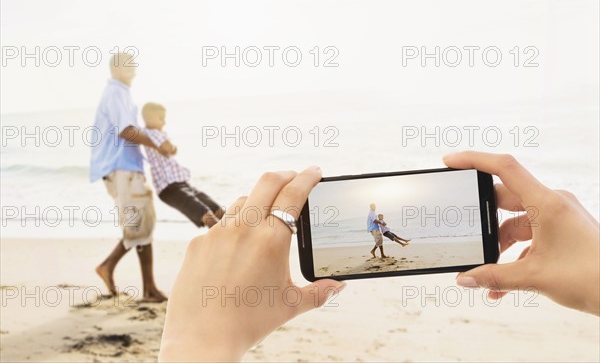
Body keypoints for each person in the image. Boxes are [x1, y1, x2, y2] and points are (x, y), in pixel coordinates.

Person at [158, 153, 599, 362]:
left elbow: (376, 224)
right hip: (378, 235)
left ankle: (399, 245)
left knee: (385, 242)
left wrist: (195, 346)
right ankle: (399, 246)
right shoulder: (373, 218)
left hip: (379, 235)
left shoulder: (376, 218)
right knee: (382, 242)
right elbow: (374, 225)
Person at [90, 52, 167, 302]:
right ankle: (135, 282)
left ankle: (142, 284)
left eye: (133, 64)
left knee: (142, 226)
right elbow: (126, 131)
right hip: (122, 169)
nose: (133, 69)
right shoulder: (115, 93)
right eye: (128, 65)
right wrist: (158, 145)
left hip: (126, 169)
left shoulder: (120, 93)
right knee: (139, 226)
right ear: (116, 68)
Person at [141, 102, 225, 228]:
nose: (164, 122)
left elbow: (169, 149)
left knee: (217, 210)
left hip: (181, 184)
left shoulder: (157, 133)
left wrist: (171, 148)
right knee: (206, 213)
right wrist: (172, 147)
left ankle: (232, 235)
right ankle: (223, 241)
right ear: (148, 118)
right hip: (169, 188)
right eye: (161, 118)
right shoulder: (152, 133)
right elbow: (169, 148)